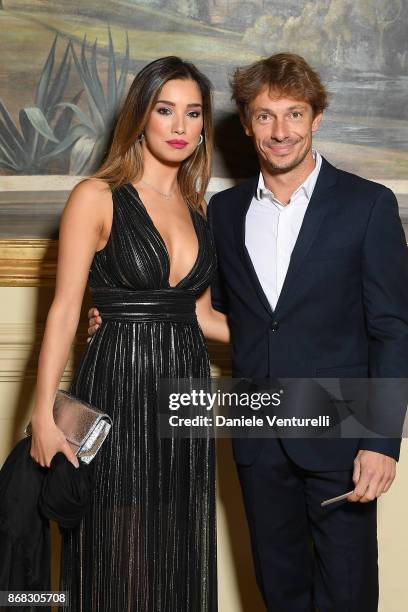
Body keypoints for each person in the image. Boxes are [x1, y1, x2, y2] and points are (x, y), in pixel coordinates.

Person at [89, 51, 408, 611]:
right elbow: (198, 307)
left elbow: (393, 330)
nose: (281, 131)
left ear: (316, 119)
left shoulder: (368, 205)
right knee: (278, 590)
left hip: (341, 429)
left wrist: (381, 443)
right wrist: (119, 312)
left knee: (349, 592)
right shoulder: (223, 211)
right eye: (265, 115)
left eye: (294, 114)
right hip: (257, 431)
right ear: (246, 122)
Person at [29, 56, 229, 611]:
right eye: (166, 110)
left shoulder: (198, 207)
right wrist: (43, 415)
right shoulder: (95, 196)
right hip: (119, 389)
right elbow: (66, 311)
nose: (180, 126)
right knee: (119, 558)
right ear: (141, 115)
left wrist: (293, 337)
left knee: (176, 549)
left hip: (185, 397)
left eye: (193, 114)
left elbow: (203, 316)